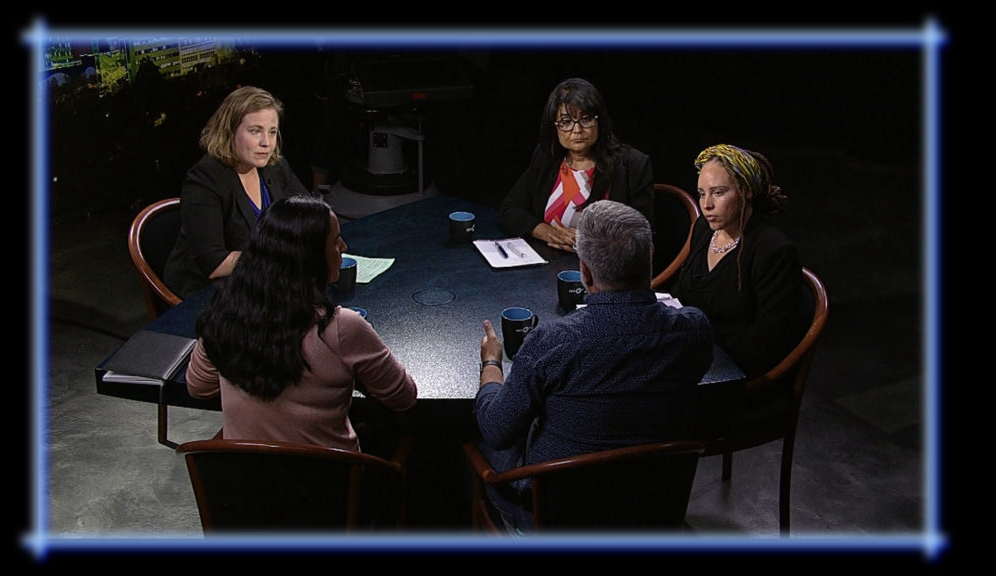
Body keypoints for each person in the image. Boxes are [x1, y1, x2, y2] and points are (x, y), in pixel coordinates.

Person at [474, 199, 713, 533]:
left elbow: (498, 431)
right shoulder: (694, 331)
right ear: (651, 254)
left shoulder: (551, 342)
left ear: (584, 270)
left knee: (473, 437)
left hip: (556, 516)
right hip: (653, 508)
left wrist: (491, 364)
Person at [186, 193, 418, 455]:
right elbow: (403, 397)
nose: (343, 246)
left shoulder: (224, 313)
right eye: (334, 241)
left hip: (245, 484)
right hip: (333, 485)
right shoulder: (341, 327)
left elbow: (199, 387)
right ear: (309, 258)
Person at [164, 85, 311, 299]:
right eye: (255, 131)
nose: (266, 143)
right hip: (204, 296)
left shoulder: (274, 167)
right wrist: (278, 256)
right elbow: (214, 264)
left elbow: (310, 213)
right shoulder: (205, 179)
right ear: (230, 130)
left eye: (272, 132)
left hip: (261, 282)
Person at [672, 144, 804, 378]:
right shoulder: (704, 228)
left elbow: (768, 342)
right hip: (692, 355)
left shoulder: (773, 251)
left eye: (718, 192)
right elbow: (682, 292)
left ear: (746, 191)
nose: (707, 205)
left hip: (734, 372)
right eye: (702, 193)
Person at [498, 77, 655, 253]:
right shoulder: (546, 158)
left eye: (585, 119)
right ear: (554, 127)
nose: (577, 130)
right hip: (546, 266)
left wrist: (588, 242)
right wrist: (547, 232)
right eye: (566, 122)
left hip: (605, 274)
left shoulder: (632, 165)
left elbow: (642, 238)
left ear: (599, 121)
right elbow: (509, 209)